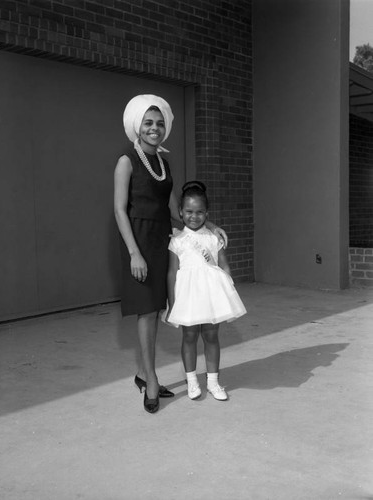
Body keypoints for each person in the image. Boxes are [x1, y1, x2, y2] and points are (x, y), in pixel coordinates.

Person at [114, 95, 227, 414]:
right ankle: (150, 380)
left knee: (158, 308)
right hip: (137, 240)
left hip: (162, 239)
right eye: (148, 123)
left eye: (159, 123)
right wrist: (134, 252)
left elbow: (176, 210)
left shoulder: (164, 162)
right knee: (147, 310)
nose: (155, 128)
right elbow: (119, 210)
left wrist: (210, 227)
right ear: (138, 125)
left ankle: (142, 372)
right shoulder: (126, 161)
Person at [164, 181, 247, 401]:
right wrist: (172, 302)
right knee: (189, 335)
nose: (194, 216)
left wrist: (228, 291)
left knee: (211, 335)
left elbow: (224, 266)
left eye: (200, 212)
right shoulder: (176, 241)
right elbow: (172, 273)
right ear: (180, 212)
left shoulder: (214, 238)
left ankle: (213, 382)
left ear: (207, 213)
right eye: (189, 211)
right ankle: (192, 381)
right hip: (188, 296)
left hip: (211, 295)